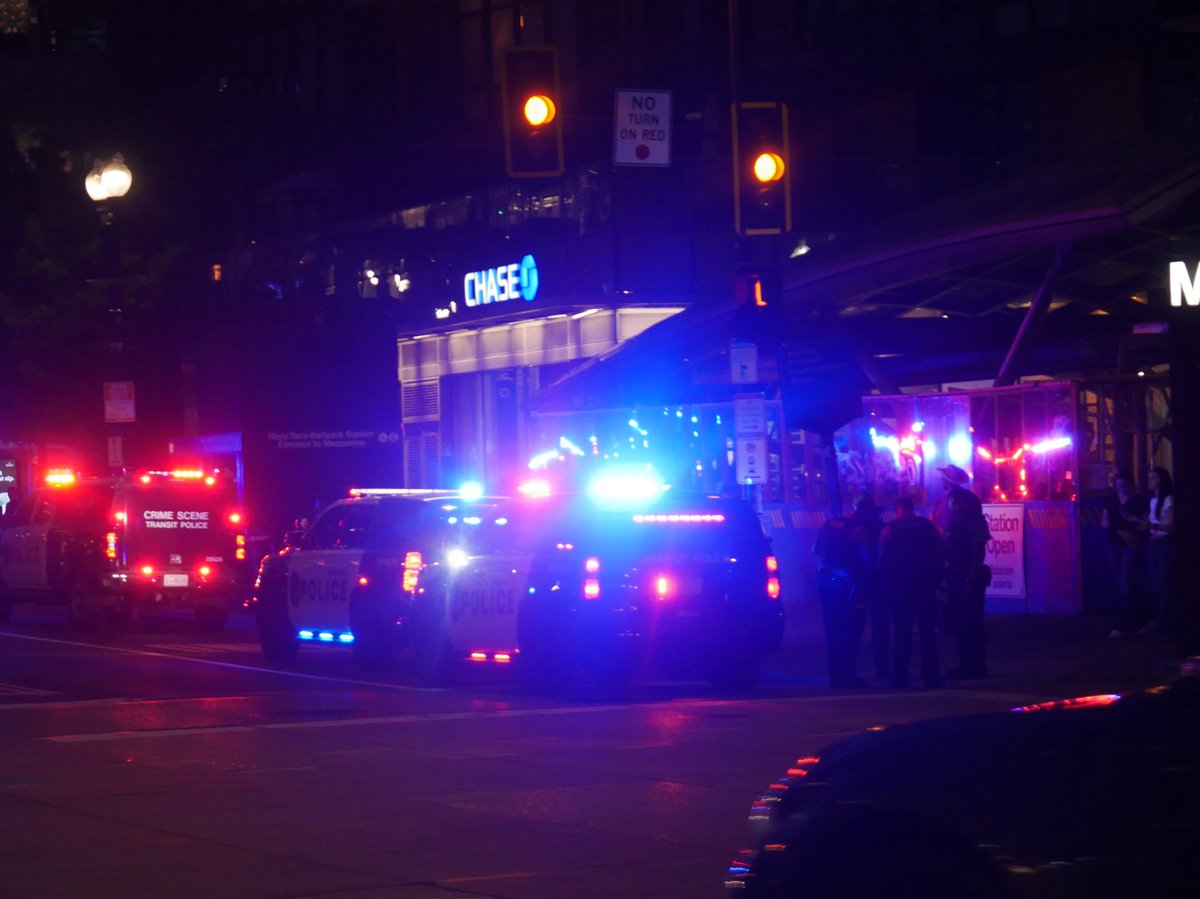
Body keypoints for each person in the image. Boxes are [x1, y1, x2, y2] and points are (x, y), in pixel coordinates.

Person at [878, 496, 945, 689]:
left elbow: (880, 557)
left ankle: (900, 677)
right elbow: (940, 550)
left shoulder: (890, 528)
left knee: (902, 632)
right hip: (924, 584)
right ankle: (932, 677)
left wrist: (884, 582)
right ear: (912, 508)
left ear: (899, 509)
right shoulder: (927, 526)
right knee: (927, 632)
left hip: (900, 585)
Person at [937, 464, 991, 679]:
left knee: (969, 621)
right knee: (962, 620)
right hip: (958, 573)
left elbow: (978, 549)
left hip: (966, 575)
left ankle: (973, 666)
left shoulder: (970, 522)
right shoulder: (960, 519)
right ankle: (968, 664)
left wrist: (970, 577)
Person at [813, 507, 869, 688]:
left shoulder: (826, 525)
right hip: (847, 581)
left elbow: (816, 550)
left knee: (832, 630)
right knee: (850, 630)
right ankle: (848, 676)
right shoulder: (856, 528)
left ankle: (835, 677)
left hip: (826, 580)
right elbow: (865, 555)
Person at [1100, 470, 1149, 637]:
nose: (1121, 488)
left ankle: (1120, 625)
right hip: (1115, 543)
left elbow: (1145, 524)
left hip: (1131, 543)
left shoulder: (1139, 500)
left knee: (1125, 583)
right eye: (1119, 484)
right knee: (1126, 584)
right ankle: (1145, 619)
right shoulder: (1110, 500)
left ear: (1130, 485)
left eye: (1123, 485)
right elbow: (1104, 522)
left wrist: (1132, 526)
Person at [849, 496, 889, 679]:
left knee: (855, 626)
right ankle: (881, 666)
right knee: (880, 625)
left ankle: (852, 669)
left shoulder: (852, 527)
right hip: (877, 581)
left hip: (859, 581)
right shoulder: (880, 527)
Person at [1139, 466, 1175, 641]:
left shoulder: (1167, 500)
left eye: (1153, 477)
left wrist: (1151, 526)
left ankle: (1165, 627)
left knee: (1162, 586)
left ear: (1161, 479)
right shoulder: (1154, 501)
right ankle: (1162, 625)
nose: (1149, 480)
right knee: (1155, 585)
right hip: (1155, 543)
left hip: (1163, 543)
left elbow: (1170, 526)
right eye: (1149, 477)